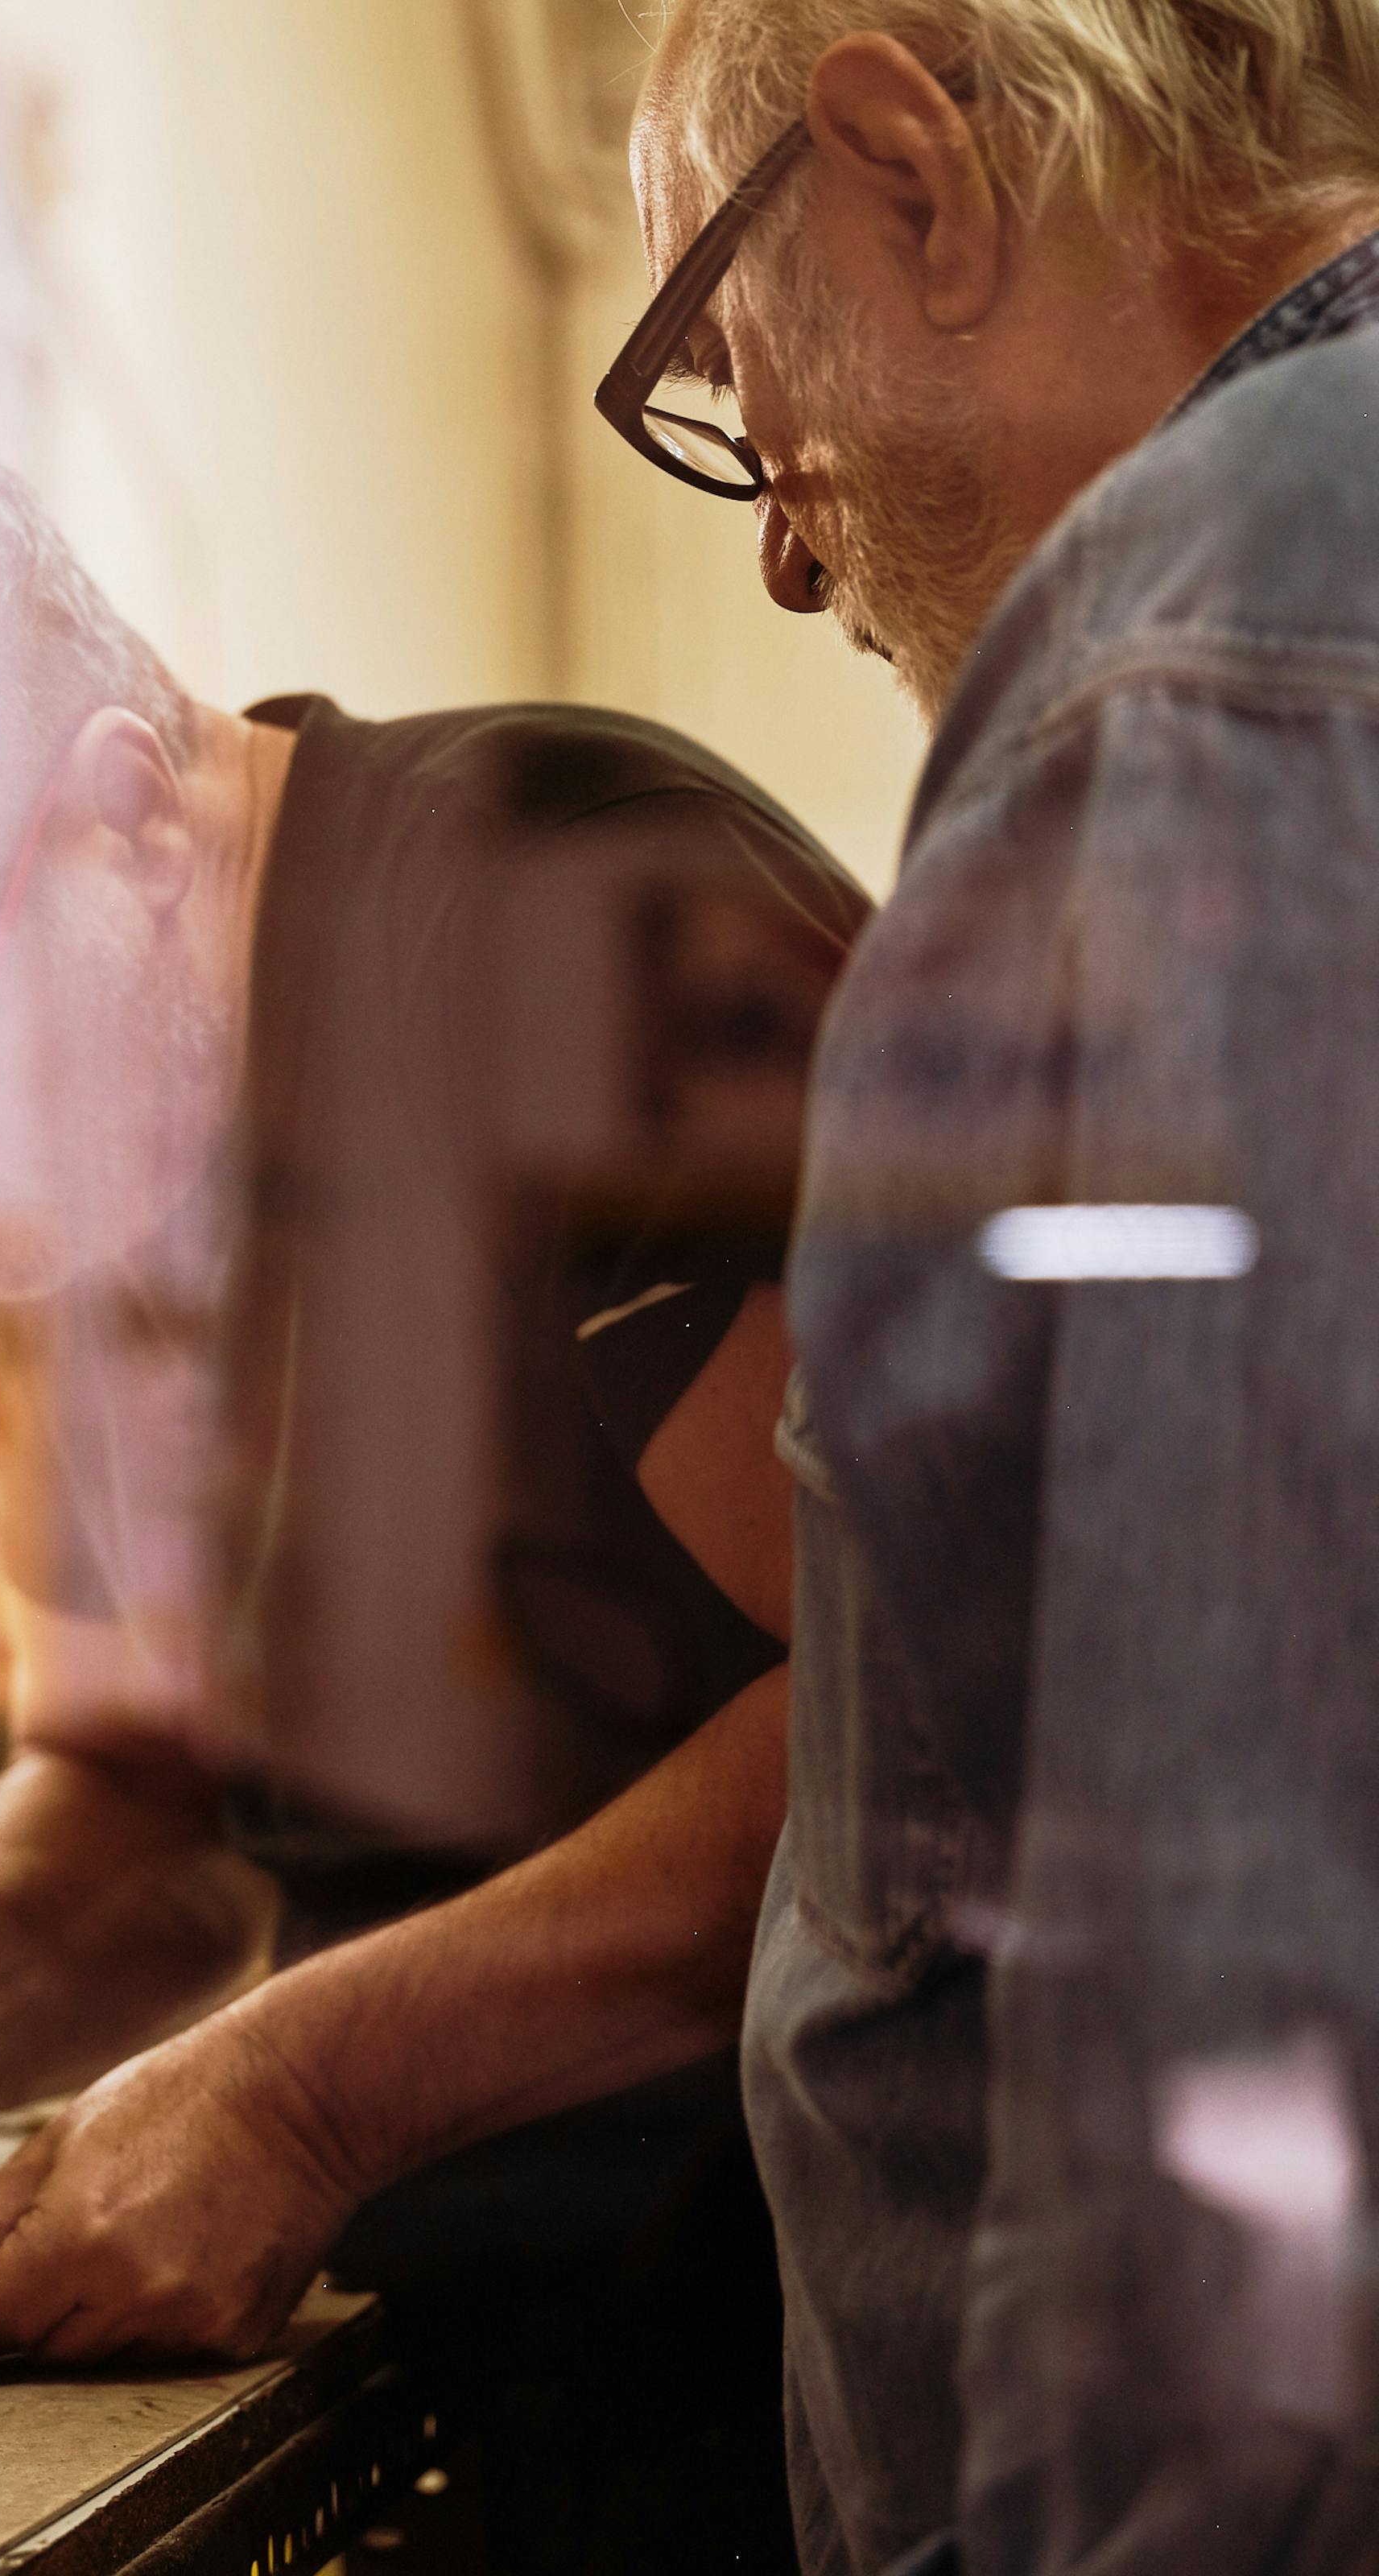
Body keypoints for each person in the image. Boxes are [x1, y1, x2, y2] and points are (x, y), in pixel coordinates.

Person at [0, 392, 866, 2570]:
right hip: (478, 2388)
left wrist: (306, 2088)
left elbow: (937, 1712)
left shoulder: (579, 919)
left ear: (118, 820)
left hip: (843, 2370)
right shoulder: (54, 1168)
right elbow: (148, 1796)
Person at [616, 5, 1379, 2571]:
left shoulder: (1217, 644)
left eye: (728, 371)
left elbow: (1252, 1965)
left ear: (908, 171)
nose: (785, 549)